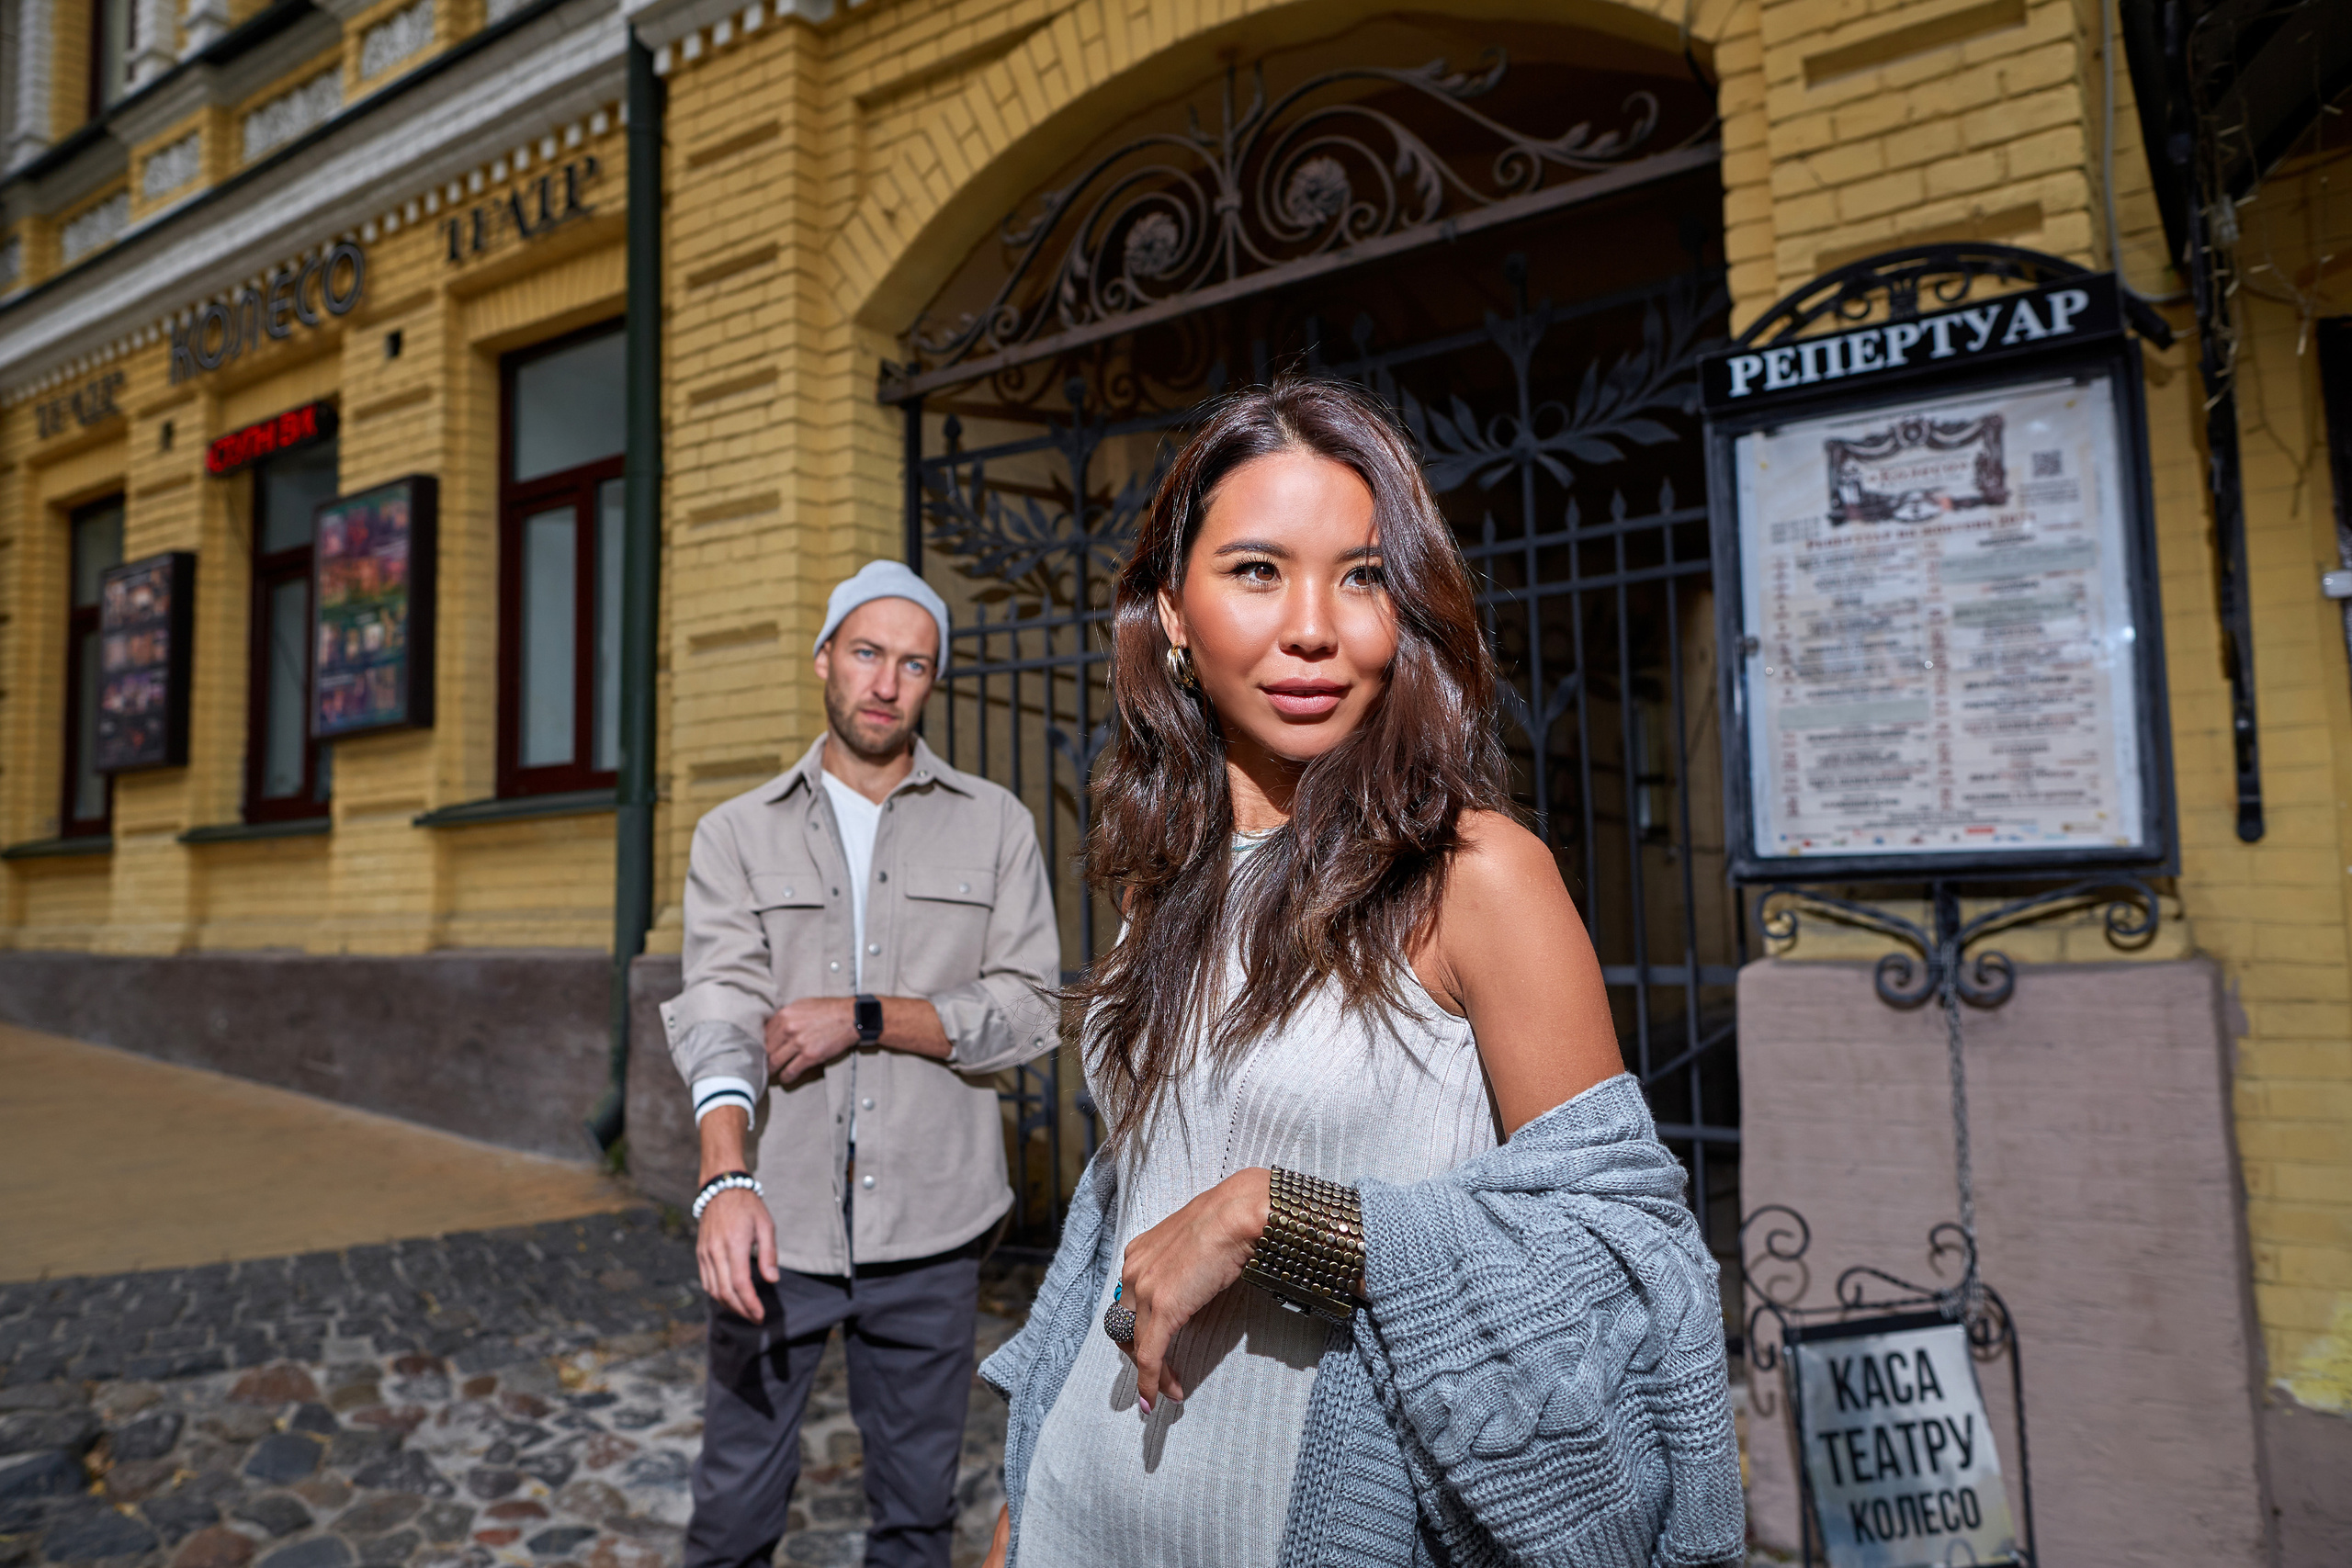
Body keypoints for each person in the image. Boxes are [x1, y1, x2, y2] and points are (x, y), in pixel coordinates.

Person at [977, 379, 1743, 1567]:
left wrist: (1273, 1215)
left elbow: (1627, 1262)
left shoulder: (1475, 875)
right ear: (1172, 612)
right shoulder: (1163, 879)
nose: (1314, 627)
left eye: (1364, 575)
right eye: (1255, 569)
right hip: (1078, 1511)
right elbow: (1125, 1212)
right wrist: (1023, 1491)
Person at [662, 560, 1061, 1568]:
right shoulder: (734, 835)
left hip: (933, 1227)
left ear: (931, 683)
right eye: (867, 654)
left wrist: (872, 1017)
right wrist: (725, 1176)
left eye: (912, 664)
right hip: (775, 1226)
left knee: (917, 1516)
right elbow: (719, 1009)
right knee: (734, 1512)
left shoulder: (996, 824)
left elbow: (1029, 1011)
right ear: (824, 660)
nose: (885, 683)